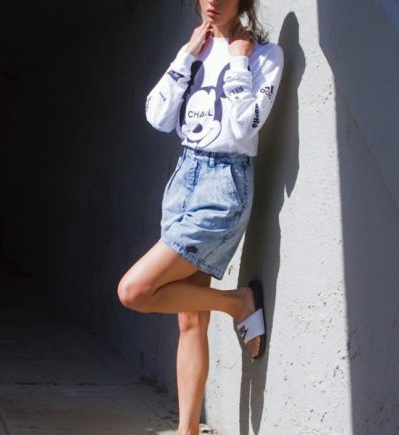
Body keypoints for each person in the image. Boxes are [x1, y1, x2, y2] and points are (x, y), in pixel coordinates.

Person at [117, 0, 283, 433]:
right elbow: (157, 117)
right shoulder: (194, 50)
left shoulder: (265, 55)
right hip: (183, 182)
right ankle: (187, 430)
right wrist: (187, 56)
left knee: (134, 291)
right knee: (190, 319)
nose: (213, 1)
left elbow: (245, 127)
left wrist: (239, 63)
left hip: (223, 184)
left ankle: (236, 302)